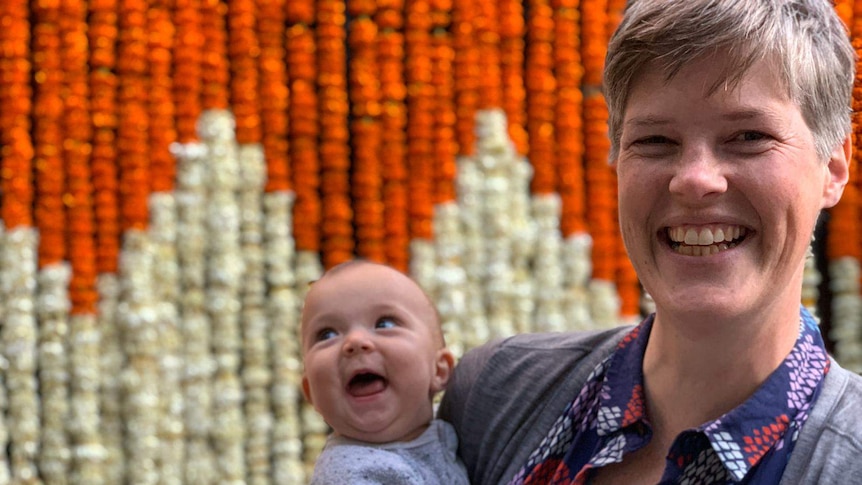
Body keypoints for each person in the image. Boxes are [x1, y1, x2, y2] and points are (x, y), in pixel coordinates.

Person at [438, 1, 862, 483]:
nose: (695, 179)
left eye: (748, 135)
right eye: (656, 140)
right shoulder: (493, 396)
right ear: (617, 159)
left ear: (832, 167)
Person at [300, 260, 469, 484]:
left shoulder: (458, 419)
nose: (355, 341)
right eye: (327, 335)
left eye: (385, 324)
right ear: (310, 392)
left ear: (439, 370)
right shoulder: (349, 475)